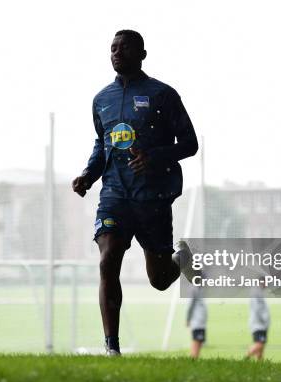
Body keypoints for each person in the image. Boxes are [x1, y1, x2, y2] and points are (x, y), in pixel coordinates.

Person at [72, 30, 198, 355]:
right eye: (112, 48)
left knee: (158, 279)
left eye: (124, 47)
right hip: (114, 196)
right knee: (108, 257)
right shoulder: (102, 100)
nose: (116, 52)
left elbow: (189, 144)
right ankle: (112, 347)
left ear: (142, 54)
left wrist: (154, 157)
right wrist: (88, 175)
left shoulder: (163, 95)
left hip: (154, 198)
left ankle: (179, 259)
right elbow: (103, 145)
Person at [246, 277, 270, 360]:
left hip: (261, 324)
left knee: (261, 348)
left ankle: (260, 364)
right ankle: (246, 357)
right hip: (258, 324)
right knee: (260, 344)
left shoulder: (259, 293)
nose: (267, 285)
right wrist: (263, 319)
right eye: (266, 282)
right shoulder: (256, 293)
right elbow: (257, 308)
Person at [186, 285, 207, 358]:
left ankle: (195, 359)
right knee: (197, 341)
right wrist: (188, 319)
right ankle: (193, 360)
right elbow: (190, 306)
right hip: (197, 323)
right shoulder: (194, 290)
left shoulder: (200, 289)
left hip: (201, 323)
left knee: (199, 341)